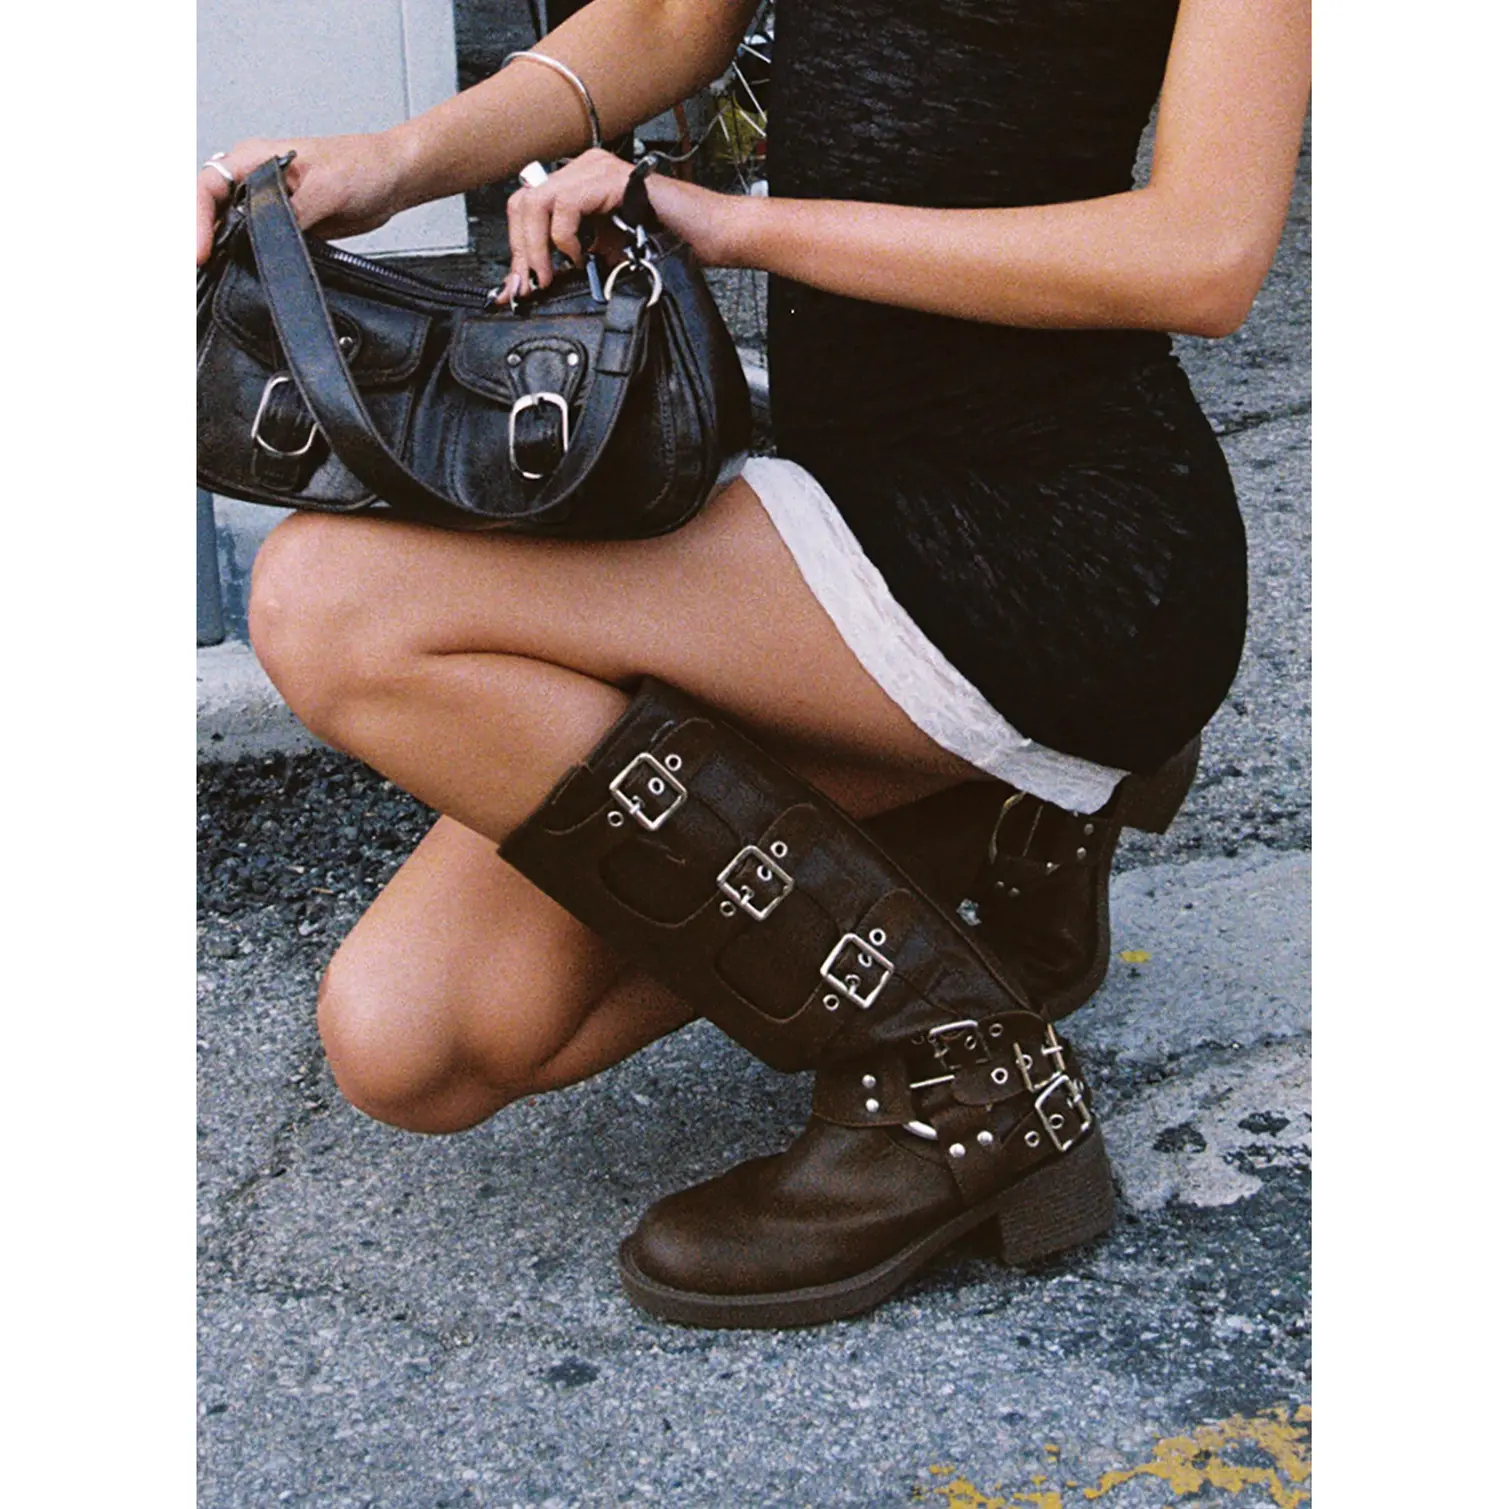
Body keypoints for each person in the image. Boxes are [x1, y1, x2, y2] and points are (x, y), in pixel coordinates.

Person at [197, 0, 1311, 1326]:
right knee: (407, 1040)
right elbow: (671, 16)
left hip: (1059, 554)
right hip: (831, 512)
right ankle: (1004, 812)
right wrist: (392, 163)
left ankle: (961, 1083)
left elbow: (1202, 254)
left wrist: (734, 225)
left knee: (329, 600)